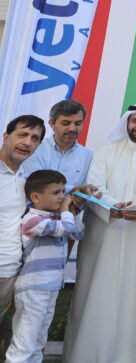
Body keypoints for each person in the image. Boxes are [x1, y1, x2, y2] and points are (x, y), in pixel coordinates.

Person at [64, 103, 136, 363]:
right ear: (127, 122)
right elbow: (95, 186)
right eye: (135, 120)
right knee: (94, 294)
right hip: (104, 234)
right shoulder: (106, 152)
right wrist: (112, 207)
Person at [6, 169, 84, 363]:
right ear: (35, 197)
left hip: (51, 287)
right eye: (56, 192)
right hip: (34, 288)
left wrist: (72, 212)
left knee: (39, 341)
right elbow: (67, 228)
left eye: (63, 191)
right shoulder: (33, 220)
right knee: (25, 341)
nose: (63, 197)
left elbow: (78, 233)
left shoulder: (57, 219)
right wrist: (66, 211)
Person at [0, 115, 45, 356]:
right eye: (22, 134)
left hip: (9, 271)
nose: (27, 142)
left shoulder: (24, 178)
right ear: (6, 136)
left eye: (34, 138)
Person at [21, 99, 93, 191]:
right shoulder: (34, 150)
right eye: (65, 123)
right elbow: (37, 185)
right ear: (52, 124)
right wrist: (74, 190)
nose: (72, 128)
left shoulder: (89, 156)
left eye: (78, 123)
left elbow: (89, 188)